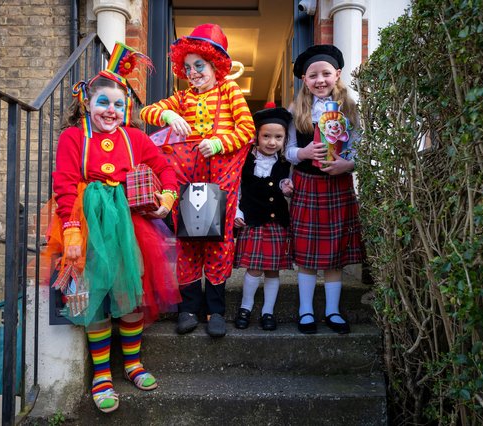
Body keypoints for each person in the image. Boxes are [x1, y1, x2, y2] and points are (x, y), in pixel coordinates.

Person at [43, 42, 180, 413]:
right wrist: (72, 230)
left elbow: (166, 169)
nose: (112, 111)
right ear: (87, 102)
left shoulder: (134, 138)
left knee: (131, 293)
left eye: (119, 105)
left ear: (128, 109)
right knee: (96, 298)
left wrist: (166, 200)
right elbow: (65, 182)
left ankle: (133, 364)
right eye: (104, 102)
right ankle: (102, 373)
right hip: (87, 225)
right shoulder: (74, 136)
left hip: (129, 226)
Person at [140, 23, 255, 337]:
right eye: (187, 66)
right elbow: (147, 111)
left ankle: (215, 311)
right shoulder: (181, 98)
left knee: (218, 243)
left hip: (222, 182)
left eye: (199, 65)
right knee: (188, 242)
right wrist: (166, 115)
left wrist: (219, 142)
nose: (192, 72)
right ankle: (188, 308)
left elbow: (247, 132)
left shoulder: (230, 91)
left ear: (215, 65)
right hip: (186, 181)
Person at [285, 44, 365, 335]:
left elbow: (360, 149)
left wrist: (349, 165)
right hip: (307, 185)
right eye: (313, 75)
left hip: (337, 185)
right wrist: (303, 154)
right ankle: (306, 310)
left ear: (338, 75)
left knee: (335, 253)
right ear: (304, 80)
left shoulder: (351, 109)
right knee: (306, 253)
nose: (320, 80)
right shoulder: (296, 110)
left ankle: (332, 311)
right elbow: (287, 151)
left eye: (326, 74)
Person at [233, 104, 294, 331]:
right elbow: (237, 189)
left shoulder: (286, 163)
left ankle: (268, 311)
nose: (272, 142)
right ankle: (245, 307)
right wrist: (237, 212)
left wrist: (288, 187)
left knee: (273, 269)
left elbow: (286, 184)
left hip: (277, 223)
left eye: (278, 137)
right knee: (254, 268)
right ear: (257, 136)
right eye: (266, 136)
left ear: (285, 138)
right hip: (253, 221)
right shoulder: (246, 161)